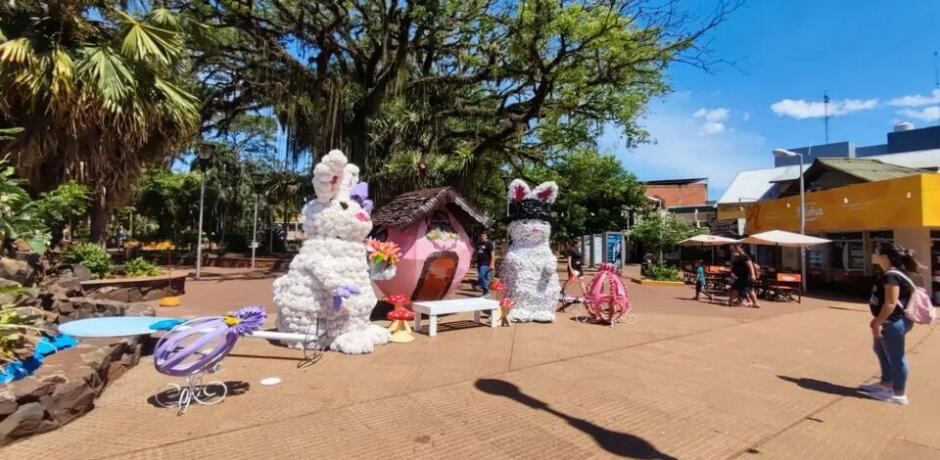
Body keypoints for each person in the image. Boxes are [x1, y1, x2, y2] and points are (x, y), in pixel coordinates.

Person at [860, 242, 920, 405]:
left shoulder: (892, 276)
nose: (874, 255)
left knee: (896, 357)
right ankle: (886, 384)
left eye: (876, 252)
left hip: (893, 321)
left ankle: (898, 394)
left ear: (884, 257)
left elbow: (891, 302)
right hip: (889, 320)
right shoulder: (891, 273)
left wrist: (877, 322)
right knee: (879, 349)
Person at [560, 241, 585, 306]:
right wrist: (571, 269)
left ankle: (586, 294)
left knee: (582, 280)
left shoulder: (578, 250)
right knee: (571, 280)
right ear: (575, 244)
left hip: (579, 268)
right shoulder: (571, 250)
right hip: (573, 268)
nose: (580, 244)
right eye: (579, 243)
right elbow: (569, 259)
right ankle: (563, 290)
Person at [475, 232, 495, 297]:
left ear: (486, 237)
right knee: (485, 277)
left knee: (481, 276)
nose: (482, 237)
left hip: (486, 262)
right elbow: (477, 253)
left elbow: (492, 254)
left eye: (484, 236)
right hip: (479, 262)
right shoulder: (478, 243)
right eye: (481, 236)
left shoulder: (489, 243)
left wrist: (492, 264)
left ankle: (486, 291)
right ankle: (485, 293)